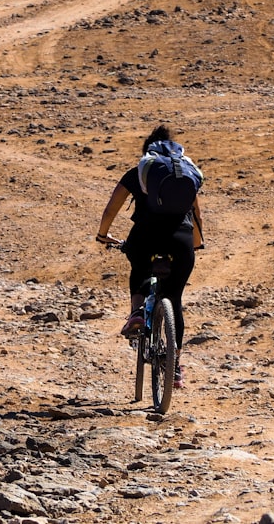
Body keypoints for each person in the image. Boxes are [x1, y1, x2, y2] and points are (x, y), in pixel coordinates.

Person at [95, 125, 203, 388]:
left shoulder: (138, 173)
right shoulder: (184, 172)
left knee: (140, 267)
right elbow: (197, 216)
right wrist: (196, 244)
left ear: (148, 154)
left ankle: (137, 315)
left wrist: (102, 235)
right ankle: (174, 368)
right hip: (182, 238)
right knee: (174, 297)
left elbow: (111, 209)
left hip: (146, 235)